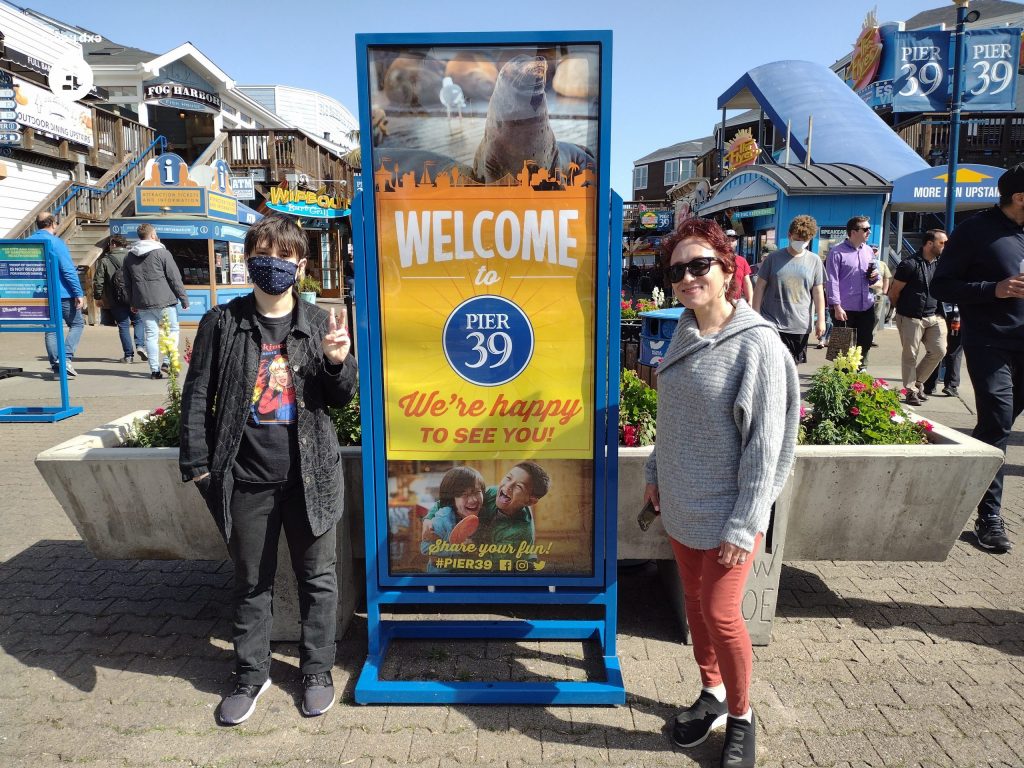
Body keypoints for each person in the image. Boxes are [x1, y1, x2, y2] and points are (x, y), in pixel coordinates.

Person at [179, 214, 358, 724]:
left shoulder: (322, 323)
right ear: (249, 259)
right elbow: (198, 398)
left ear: (299, 265)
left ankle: (317, 670)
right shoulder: (223, 321)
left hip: (311, 476)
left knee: (317, 579)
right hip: (246, 478)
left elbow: (341, 399)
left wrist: (336, 362)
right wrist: (197, 464)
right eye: (261, 254)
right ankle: (249, 674)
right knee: (250, 580)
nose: (270, 265)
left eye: (282, 256)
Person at [644, 218, 799, 768]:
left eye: (699, 265)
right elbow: (672, 418)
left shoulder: (755, 344)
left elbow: (766, 444)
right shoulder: (684, 332)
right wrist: (655, 476)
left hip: (730, 511)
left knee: (721, 612)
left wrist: (744, 522)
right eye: (678, 269)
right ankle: (710, 692)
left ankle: (741, 715)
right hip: (682, 504)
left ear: (728, 268)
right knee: (694, 606)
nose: (688, 277)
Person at [932, 164, 1024, 554]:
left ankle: (970, 479)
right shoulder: (975, 231)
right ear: (1019, 197)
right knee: (997, 421)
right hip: (990, 344)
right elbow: (942, 284)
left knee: (995, 430)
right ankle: (989, 517)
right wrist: (995, 289)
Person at [751, 214, 825, 364]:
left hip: (800, 324)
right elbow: (759, 287)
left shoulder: (814, 260)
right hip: (772, 321)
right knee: (771, 364)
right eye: (797, 239)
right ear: (789, 235)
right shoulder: (773, 258)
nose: (800, 243)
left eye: (805, 240)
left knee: (792, 366)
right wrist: (756, 314)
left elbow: (818, 292)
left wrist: (821, 320)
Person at [888, 229, 947, 406]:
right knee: (910, 355)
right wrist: (903, 312)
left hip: (934, 316)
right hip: (910, 317)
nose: (945, 246)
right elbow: (894, 293)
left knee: (939, 350)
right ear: (930, 244)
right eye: (942, 243)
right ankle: (910, 391)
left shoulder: (940, 263)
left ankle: (918, 383)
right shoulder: (909, 264)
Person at [123, 223, 189, 379]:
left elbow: (127, 282)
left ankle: (154, 371)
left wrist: (132, 302)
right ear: (153, 235)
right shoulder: (162, 253)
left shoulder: (129, 256)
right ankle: (167, 362)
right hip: (165, 301)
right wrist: (183, 298)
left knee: (151, 335)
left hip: (143, 302)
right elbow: (174, 278)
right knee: (172, 331)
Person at [28, 213, 84, 379]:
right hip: (62, 293)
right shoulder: (56, 242)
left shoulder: (28, 242)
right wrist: (78, 292)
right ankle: (65, 358)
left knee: (51, 330)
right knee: (77, 323)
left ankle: (55, 364)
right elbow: (67, 270)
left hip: (41, 293)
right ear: (52, 223)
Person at [826, 216, 880, 368]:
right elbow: (831, 280)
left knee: (865, 343)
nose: (869, 232)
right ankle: (840, 378)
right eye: (865, 229)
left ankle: (860, 376)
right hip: (844, 308)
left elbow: (875, 276)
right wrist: (836, 306)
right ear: (853, 232)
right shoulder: (837, 252)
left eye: (869, 228)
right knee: (840, 347)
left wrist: (874, 277)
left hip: (866, 306)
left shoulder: (869, 251)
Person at [477, 461, 550, 561]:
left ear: (530, 501)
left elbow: (493, 566)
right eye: (508, 478)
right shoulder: (492, 492)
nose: (507, 486)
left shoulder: (519, 533)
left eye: (519, 486)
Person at [420, 466, 487, 570]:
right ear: (452, 499)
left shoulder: (485, 512)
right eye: (465, 495)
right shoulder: (442, 519)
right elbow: (425, 548)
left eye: (477, 492)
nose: (473, 499)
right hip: (444, 580)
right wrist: (457, 550)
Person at [92, 235, 145, 364]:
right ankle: (140, 345)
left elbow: (98, 281)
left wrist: (98, 297)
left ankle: (128, 356)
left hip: (115, 298)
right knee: (138, 321)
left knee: (123, 325)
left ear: (114, 244)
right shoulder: (133, 257)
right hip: (134, 297)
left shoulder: (105, 260)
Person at [922, 301, 963, 398]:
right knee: (954, 351)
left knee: (937, 350)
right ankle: (951, 385)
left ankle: (929, 384)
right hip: (956, 314)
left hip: (940, 313)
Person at [725, 229, 753, 304]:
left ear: (736, 242)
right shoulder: (717, 259)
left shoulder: (742, 261)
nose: (730, 243)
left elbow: (747, 282)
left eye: (733, 240)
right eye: (727, 240)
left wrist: (750, 300)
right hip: (720, 302)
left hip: (737, 302)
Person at [872, 252, 892, 339]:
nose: (874, 252)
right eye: (872, 250)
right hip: (866, 293)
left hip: (878, 294)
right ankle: (864, 337)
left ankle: (872, 337)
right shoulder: (864, 262)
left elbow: (886, 278)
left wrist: (884, 292)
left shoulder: (882, 264)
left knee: (876, 316)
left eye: (875, 250)